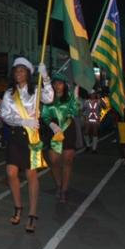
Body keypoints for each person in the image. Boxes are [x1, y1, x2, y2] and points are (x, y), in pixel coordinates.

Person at [0, 57, 53, 233]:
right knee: (11, 173)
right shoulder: (9, 94)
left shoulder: (36, 90)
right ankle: (18, 206)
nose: (19, 73)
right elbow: (5, 115)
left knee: (31, 175)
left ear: (29, 73)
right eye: (16, 70)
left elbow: (50, 98)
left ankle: (32, 214)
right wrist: (23, 120)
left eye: (22, 70)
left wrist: (45, 77)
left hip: (31, 137)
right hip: (16, 136)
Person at [42, 73, 81, 204]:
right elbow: (44, 115)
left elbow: (75, 112)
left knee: (68, 160)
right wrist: (51, 125)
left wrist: (75, 98)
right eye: (55, 83)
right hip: (53, 129)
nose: (57, 86)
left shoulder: (69, 97)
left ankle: (64, 190)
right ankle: (58, 184)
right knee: (54, 161)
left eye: (60, 83)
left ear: (65, 85)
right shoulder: (48, 98)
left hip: (68, 128)